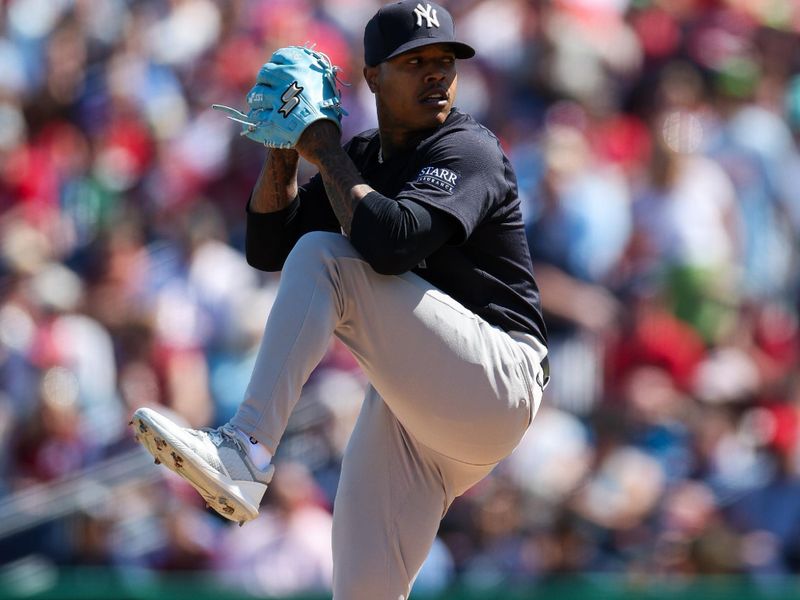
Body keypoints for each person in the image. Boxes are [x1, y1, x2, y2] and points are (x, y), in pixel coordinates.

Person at [132, 1, 549, 597]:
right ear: (373, 76)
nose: (436, 73)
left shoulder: (466, 148)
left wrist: (322, 145)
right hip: (418, 415)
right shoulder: (364, 158)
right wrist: (283, 147)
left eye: (445, 61)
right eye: (415, 61)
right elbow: (269, 247)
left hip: (497, 379)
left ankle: (246, 448)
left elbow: (390, 244)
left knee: (328, 255)